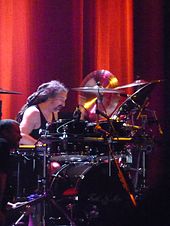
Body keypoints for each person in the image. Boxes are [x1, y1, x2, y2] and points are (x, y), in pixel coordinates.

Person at [16, 80, 68, 145]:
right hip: (32, 154)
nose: (63, 104)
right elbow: (20, 136)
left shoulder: (54, 113)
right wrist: (40, 146)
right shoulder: (33, 112)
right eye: (61, 99)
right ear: (49, 98)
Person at [0, 119, 21, 225]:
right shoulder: (3, 145)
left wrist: (10, 205)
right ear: (4, 132)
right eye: (17, 132)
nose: (20, 136)